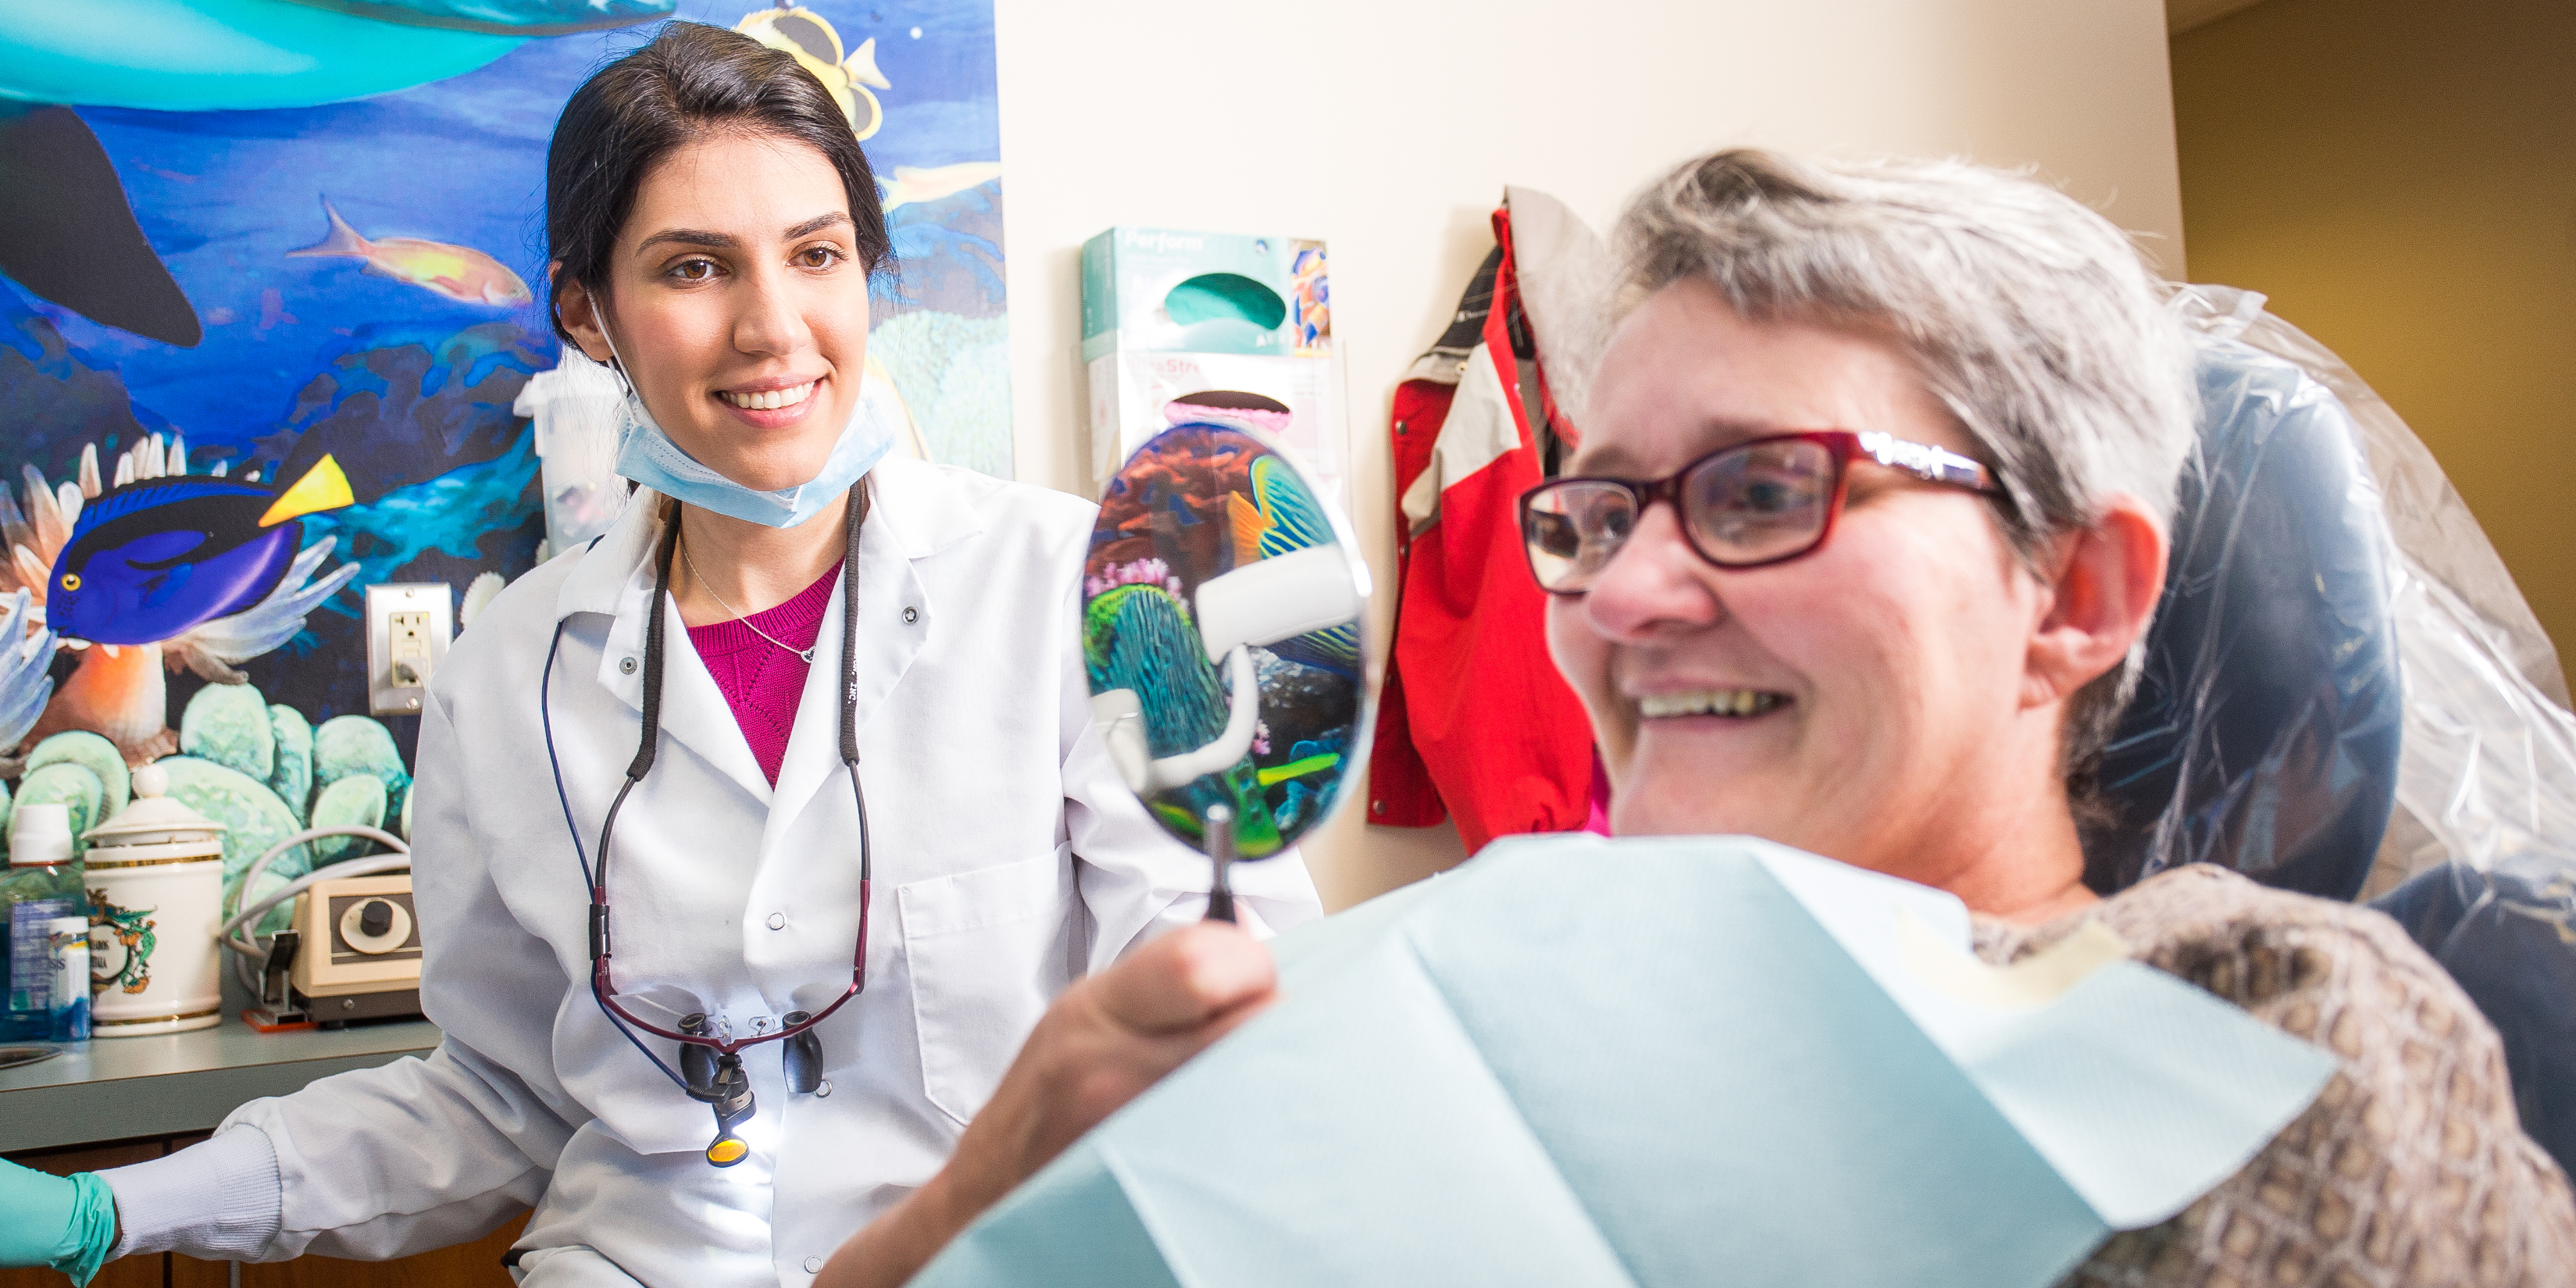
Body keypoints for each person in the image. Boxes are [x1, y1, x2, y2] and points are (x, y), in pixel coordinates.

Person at [0, 23, 1312, 1288]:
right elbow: (497, 1099)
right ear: (587, 312)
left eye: (816, 254)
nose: (772, 328)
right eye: (694, 267)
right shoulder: (504, 675)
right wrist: (112, 1208)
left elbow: (1228, 1006)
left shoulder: (1074, 589)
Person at [1520, 148, 2576, 1282]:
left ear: (2074, 596)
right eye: (1602, 515)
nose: (1618, 596)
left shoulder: (2253, 1030)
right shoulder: (1562, 1030)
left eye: (1766, 491)